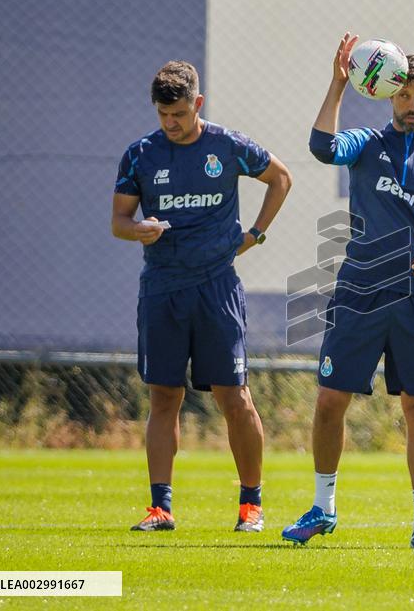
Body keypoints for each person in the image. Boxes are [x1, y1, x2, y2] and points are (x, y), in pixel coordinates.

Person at [281, 34, 414, 550]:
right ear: (388, 95)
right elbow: (322, 147)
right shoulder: (366, 144)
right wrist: (338, 82)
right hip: (360, 291)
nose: (411, 105)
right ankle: (323, 509)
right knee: (329, 400)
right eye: (403, 96)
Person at [112, 60, 292, 532]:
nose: (171, 123)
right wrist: (139, 230)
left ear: (198, 104)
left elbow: (281, 179)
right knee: (164, 397)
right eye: (163, 115)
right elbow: (119, 221)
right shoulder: (140, 156)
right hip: (162, 287)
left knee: (234, 396)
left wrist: (254, 233)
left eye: (179, 114)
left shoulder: (227, 146)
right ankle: (160, 508)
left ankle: (251, 505)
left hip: (216, 288)